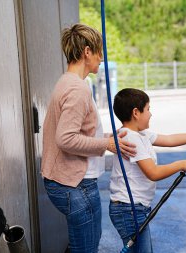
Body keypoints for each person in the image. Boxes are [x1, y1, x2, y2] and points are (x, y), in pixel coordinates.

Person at [41, 23, 136, 253]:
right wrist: (106, 144)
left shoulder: (69, 83)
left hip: (69, 183)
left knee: (85, 244)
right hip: (75, 185)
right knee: (86, 247)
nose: (101, 58)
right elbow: (66, 139)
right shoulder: (78, 89)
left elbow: (78, 134)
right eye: (98, 51)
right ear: (86, 52)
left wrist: (107, 137)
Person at [109, 88, 186, 253]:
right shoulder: (132, 138)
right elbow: (152, 173)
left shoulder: (140, 134)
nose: (151, 114)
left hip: (132, 209)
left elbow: (169, 139)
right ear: (136, 113)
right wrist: (181, 164)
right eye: (148, 109)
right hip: (128, 210)